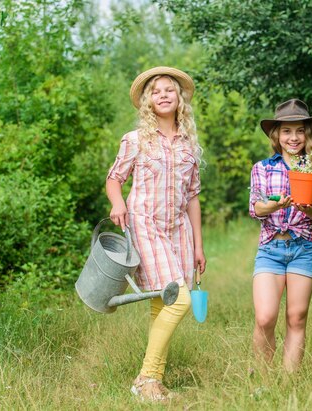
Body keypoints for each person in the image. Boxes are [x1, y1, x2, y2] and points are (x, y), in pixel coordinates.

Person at [106, 66, 206, 401]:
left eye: (169, 90)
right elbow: (114, 178)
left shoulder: (189, 145)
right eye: (156, 91)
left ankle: (154, 383)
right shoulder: (135, 140)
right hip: (144, 222)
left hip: (178, 228)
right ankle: (145, 377)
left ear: (180, 99)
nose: (163, 95)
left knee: (161, 303)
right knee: (179, 299)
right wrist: (117, 204)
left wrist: (198, 245)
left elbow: (192, 196)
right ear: (148, 101)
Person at [248, 99, 312, 372]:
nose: (293, 137)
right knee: (264, 317)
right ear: (277, 135)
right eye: (287, 131)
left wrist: (308, 208)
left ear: (308, 134)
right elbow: (256, 208)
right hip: (271, 248)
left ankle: (287, 385)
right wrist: (274, 205)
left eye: (299, 131)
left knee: (296, 318)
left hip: (303, 248)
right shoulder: (262, 168)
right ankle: (261, 381)